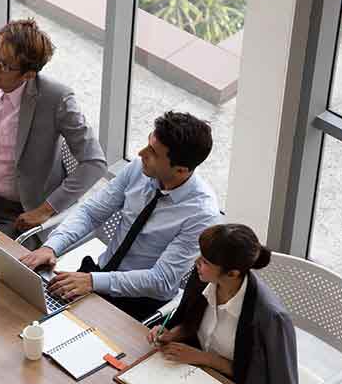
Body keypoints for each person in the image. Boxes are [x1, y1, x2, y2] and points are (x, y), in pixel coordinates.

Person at [21, 111, 222, 320]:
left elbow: (161, 280)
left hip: (138, 303)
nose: (141, 153)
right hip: (97, 275)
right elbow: (91, 213)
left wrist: (93, 282)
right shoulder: (139, 168)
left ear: (181, 170)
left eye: (153, 152)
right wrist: (52, 246)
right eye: (147, 143)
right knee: (28, 313)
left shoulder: (203, 215)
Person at [0, 19, 106, 240]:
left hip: (22, 215)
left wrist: (46, 210)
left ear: (28, 74)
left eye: (5, 65)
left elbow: (94, 162)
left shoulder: (57, 99)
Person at [148, 224, 300, 384]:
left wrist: (204, 358)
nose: (197, 263)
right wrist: (172, 333)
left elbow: (263, 379)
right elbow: (190, 321)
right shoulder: (203, 277)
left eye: (205, 261)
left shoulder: (269, 318)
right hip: (193, 376)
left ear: (232, 273)